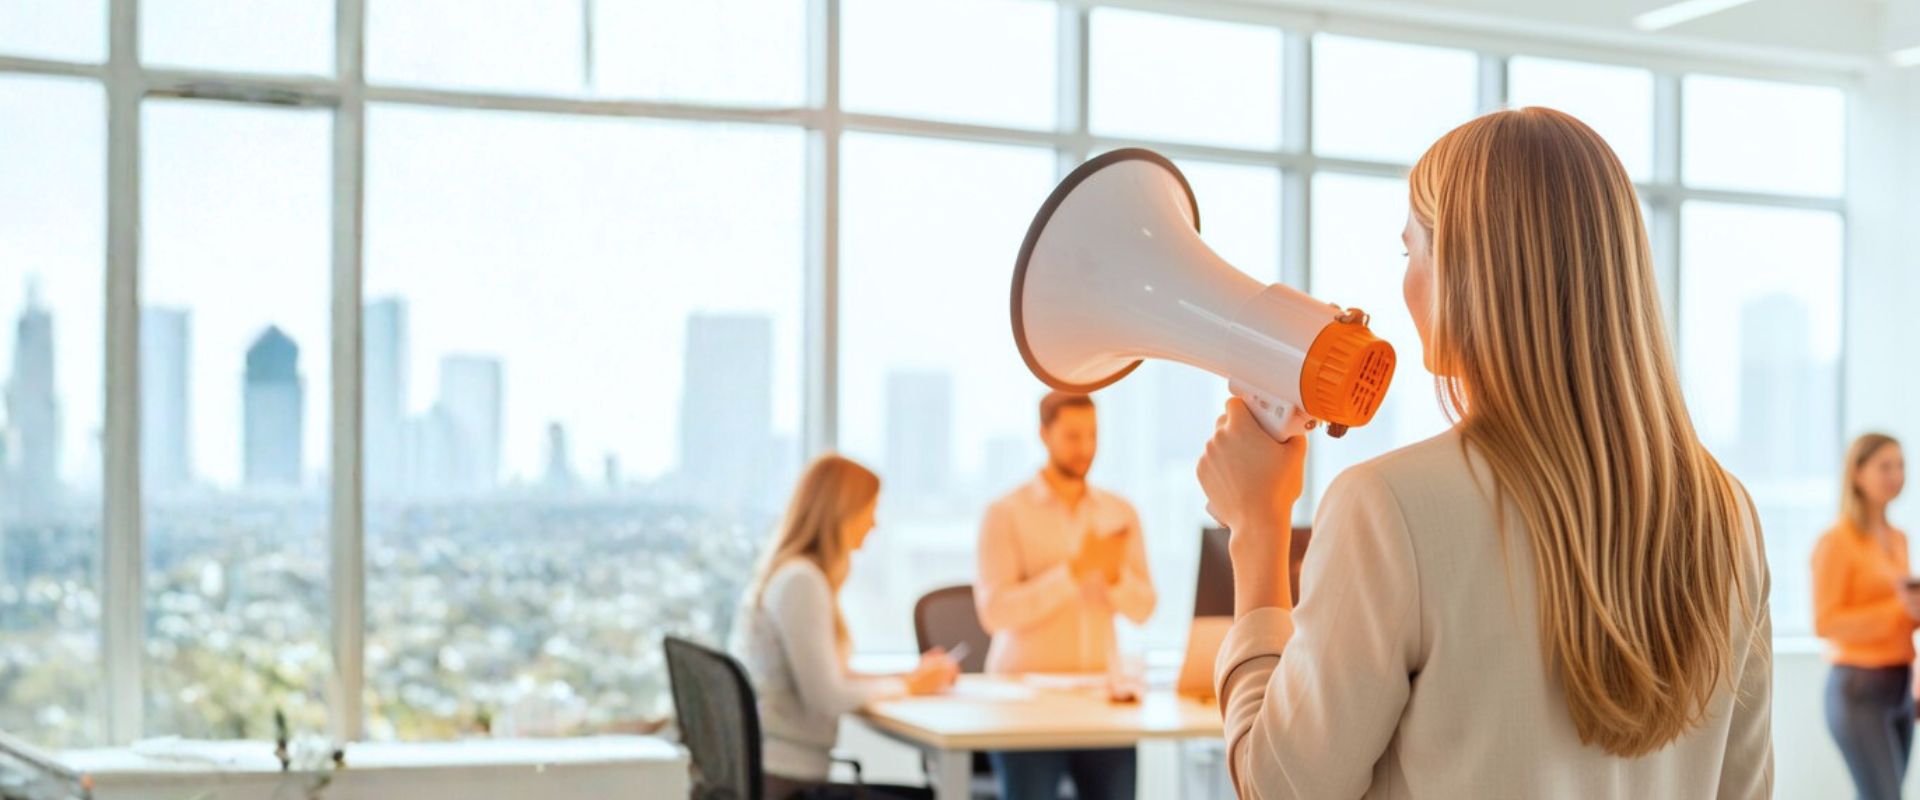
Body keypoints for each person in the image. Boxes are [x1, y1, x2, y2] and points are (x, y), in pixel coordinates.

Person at [1194, 107, 1773, 798]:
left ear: (1464, 271)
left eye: (1411, 251)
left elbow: (1285, 789)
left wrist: (1257, 529)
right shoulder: (1727, 512)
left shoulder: (1389, 506)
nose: (1403, 283)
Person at [731, 455, 960, 800]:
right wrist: (909, 686)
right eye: (870, 509)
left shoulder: (794, 575)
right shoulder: (802, 582)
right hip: (789, 781)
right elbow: (827, 697)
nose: (874, 524)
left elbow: (828, 675)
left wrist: (910, 675)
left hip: (780, 771)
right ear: (842, 512)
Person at [975, 390, 1155, 800]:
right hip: (1025, 706)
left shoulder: (1119, 512)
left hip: (1101, 702)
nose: (1086, 448)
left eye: (1093, 435)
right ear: (1044, 434)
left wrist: (1112, 577)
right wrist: (1072, 572)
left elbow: (1145, 608)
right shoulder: (1005, 513)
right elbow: (995, 613)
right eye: (1073, 436)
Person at [1813, 433, 1914, 800]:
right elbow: (1826, 622)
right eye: (1884, 466)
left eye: (1901, 465)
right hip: (1859, 688)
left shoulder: (1898, 538)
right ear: (1857, 473)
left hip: (1900, 685)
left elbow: (1901, 615)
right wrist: (1898, 610)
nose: (1896, 475)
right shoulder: (1837, 541)